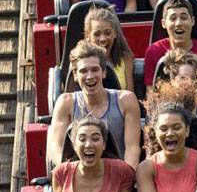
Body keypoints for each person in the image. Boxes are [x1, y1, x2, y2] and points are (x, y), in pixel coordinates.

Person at [48, 40, 142, 170]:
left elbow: (132, 148)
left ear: (103, 72)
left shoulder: (126, 100)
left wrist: (126, 178)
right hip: (79, 174)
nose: (89, 76)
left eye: (94, 70)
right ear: (75, 75)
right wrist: (69, 173)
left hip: (117, 175)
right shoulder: (66, 103)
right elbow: (56, 148)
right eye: (83, 71)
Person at [51, 117, 135, 192]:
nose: (89, 144)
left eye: (95, 139)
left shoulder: (121, 170)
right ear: (74, 145)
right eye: (82, 139)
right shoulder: (61, 173)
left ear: (104, 144)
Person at [142, 0, 197, 91]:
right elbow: (151, 93)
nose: (178, 23)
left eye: (183, 18)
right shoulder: (153, 51)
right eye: (173, 18)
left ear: (192, 21)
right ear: (163, 23)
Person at [151, 49, 197, 147]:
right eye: (183, 78)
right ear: (172, 80)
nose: (190, 83)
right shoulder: (157, 112)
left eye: (195, 78)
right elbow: (153, 146)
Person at [83, 2, 136, 91]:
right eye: (97, 34)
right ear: (88, 36)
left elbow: (130, 96)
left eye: (107, 33)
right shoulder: (80, 62)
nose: (103, 39)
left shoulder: (125, 59)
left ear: (115, 33)